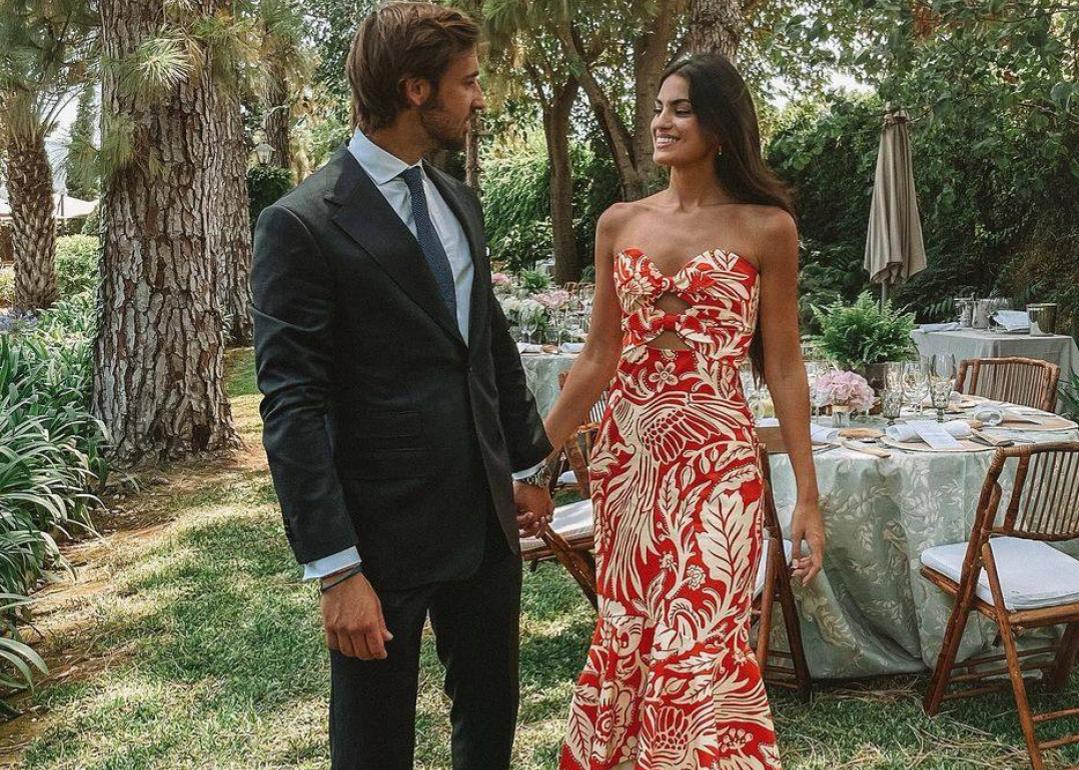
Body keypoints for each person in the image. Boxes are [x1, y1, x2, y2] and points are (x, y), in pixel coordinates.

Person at [250, 4, 553, 769]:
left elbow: (486, 344)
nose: (479, 99)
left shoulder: (458, 200)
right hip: (378, 539)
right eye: (468, 83)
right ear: (416, 88)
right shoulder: (303, 222)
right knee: (374, 743)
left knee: (490, 721)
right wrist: (336, 567)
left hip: (483, 523)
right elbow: (292, 405)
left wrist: (524, 466)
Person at [544, 53, 824, 770]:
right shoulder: (618, 223)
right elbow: (596, 359)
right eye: (660, 108)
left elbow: (786, 367)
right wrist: (532, 457)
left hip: (718, 464)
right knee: (629, 629)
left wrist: (807, 499)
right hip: (629, 460)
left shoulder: (768, 228)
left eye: (681, 109)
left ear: (722, 127)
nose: (661, 122)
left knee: (700, 636)